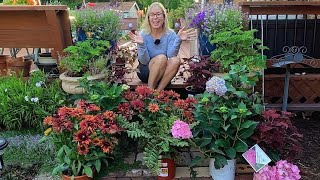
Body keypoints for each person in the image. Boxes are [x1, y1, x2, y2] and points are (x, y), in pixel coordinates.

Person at [128, 2, 196, 91]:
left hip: (162, 71)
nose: (155, 18)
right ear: (148, 18)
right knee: (161, 58)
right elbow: (144, 61)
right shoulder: (143, 34)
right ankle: (150, 92)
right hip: (146, 71)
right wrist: (141, 44)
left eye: (158, 14)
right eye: (152, 15)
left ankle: (158, 93)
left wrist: (178, 39)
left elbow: (171, 55)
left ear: (164, 17)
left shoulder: (170, 34)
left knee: (176, 60)